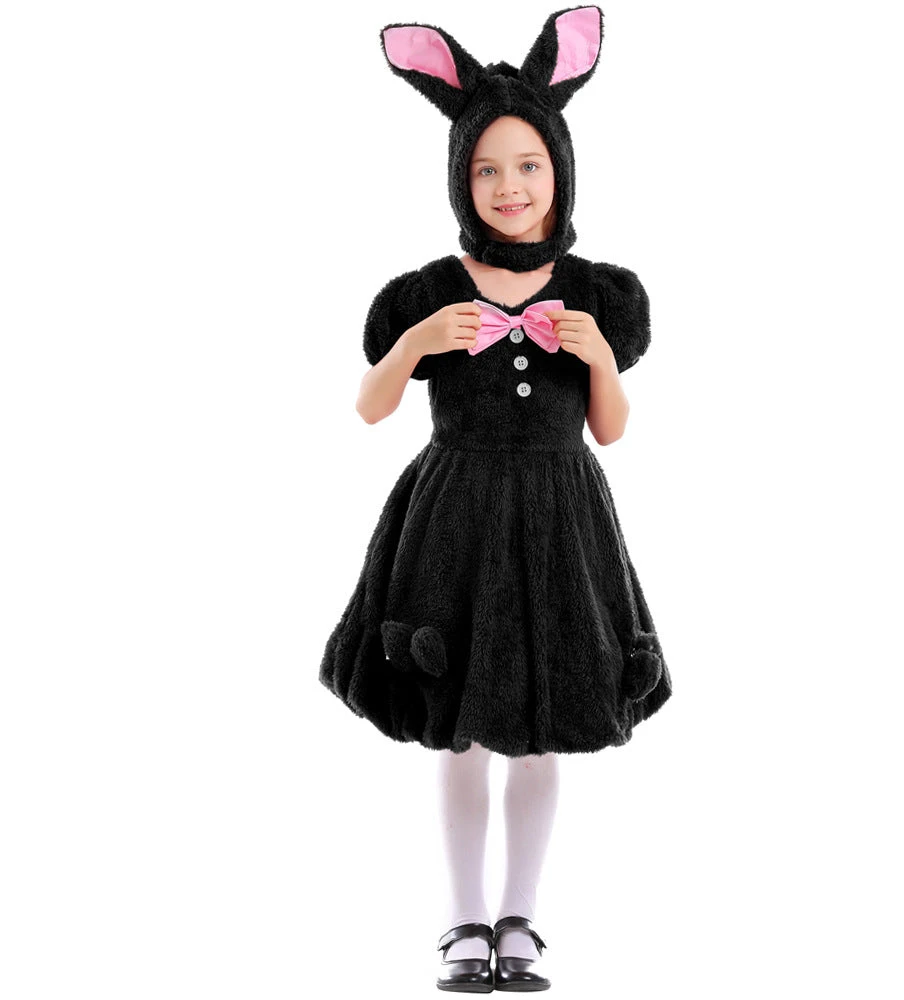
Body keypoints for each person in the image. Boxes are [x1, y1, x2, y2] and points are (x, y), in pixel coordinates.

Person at [318, 6, 672, 991]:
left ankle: (520, 918)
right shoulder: (428, 290)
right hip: (455, 520)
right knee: (461, 726)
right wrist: (414, 344)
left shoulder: (598, 292)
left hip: (561, 519)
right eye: (485, 169)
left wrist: (600, 360)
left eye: (527, 165)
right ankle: (460, 921)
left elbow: (609, 429)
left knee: (540, 723)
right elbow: (369, 406)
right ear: (459, 178)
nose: (509, 186)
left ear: (559, 168)